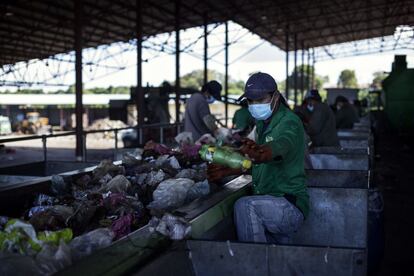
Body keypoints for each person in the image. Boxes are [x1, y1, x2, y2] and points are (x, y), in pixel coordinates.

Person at [208, 72, 309, 244]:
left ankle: (252, 264)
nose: (254, 105)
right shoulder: (263, 122)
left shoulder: (289, 122)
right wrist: (228, 170)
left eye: (260, 100)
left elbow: (282, 144)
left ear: (276, 97)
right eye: (251, 101)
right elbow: (258, 163)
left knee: (245, 206)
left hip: (288, 204)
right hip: (270, 202)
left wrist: (265, 153)